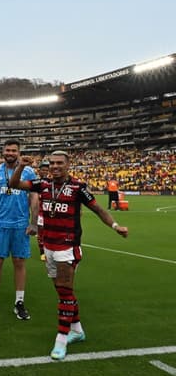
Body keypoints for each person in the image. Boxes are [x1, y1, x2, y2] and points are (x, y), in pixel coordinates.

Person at [8, 150, 128, 360]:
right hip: (49, 247)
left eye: (59, 163)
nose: (55, 166)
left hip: (67, 247)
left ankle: (61, 339)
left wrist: (116, 226)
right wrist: (20, 166)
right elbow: (14, 184)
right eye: (52, 163)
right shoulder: (43, 184)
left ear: (68, 165)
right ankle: (77, 330)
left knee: (64, 293)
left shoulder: (78, 188)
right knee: (64, 293)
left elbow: (99, 210)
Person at [0, 139, 38, 320]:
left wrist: (34, 222)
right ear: (3, 152)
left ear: (19, 153)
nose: (10, 153)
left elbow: (34, 197)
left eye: (14, 150)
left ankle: (19, 302)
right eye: (8, 150)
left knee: (19, 262)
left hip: (21, 223)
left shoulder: (29, 172)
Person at [36, 160, 50, 261]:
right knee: (41, 231)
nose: (45, 172)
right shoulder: (35, 183)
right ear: (39, 171)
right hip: (40, 212)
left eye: (46, 170)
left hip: (50, 212)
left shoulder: (51, 182)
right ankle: (42, 251)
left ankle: (50, 249)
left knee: (50, 232)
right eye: (43, 170)